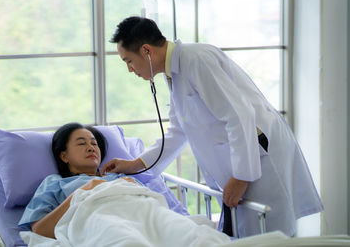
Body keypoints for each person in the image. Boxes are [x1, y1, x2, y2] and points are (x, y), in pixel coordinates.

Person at [101, 16, 324, 237]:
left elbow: (238, 115)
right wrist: (135, 164)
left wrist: (241, 176)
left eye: (128, 61)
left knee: (271, 236)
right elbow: (178, 133)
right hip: (242, 161)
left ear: (147, 51)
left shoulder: (196, 60)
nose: (130, 69)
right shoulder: (174, 73)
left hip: (258, 156)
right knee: (252, 236)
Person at [18, 122, 231, 245]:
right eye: (82, 143)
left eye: (94, 143)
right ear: (64, 156)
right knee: (127, 241)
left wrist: (132, 185)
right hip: (99, 218)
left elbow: (150, 204)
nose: (91, 147)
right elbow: (38, 229)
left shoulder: (118, 178)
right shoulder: (55, 184)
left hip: (144, 211)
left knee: (192, 236)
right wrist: (82, 192)